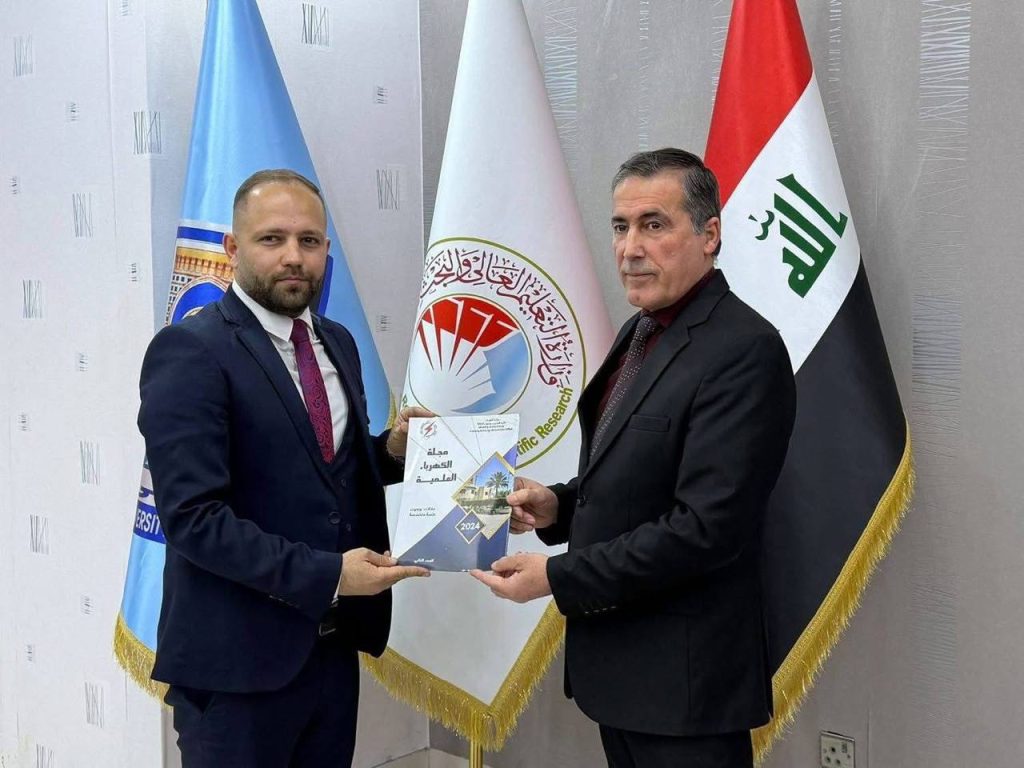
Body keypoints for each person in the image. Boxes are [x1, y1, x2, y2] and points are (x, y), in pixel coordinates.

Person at [471, 149, 797, 768]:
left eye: (654, 224)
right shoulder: (643, 330)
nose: (629, 248)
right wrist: (558, 506)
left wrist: (557, 577)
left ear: (709, 234)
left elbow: (706, 529)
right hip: (624, 674)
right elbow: (635, 478)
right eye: (621, 227)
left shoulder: (744, 350)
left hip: (685, 686)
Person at [138, 169, 430, 767]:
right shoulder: (191, 350)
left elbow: (323, 475)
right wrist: (330, 574)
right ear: (232, 248)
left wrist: (392, 452)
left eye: (309, 240)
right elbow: (194, 519)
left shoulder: (338, 342)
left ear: (326, 250)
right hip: (236, 671)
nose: (294, 256)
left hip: (332, 654)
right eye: (272, 239)